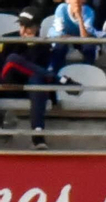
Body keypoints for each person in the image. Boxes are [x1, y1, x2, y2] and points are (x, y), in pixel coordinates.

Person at [1, 7, 69, 150]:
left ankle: (37, 134)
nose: (23, 31)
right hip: (6, 84)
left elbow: (41, 71)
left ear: (38, 27)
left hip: (28, 88)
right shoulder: (7, 40)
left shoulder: (43, 46)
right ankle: (60, 80)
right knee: (13, 59)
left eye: (28, 27)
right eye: (21, 26)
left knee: (37, 80)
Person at [46, 0, 95, 68]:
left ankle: (89, 68)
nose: (76, 1)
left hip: (79, 38)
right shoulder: (61, 8)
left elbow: (85, 37)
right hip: (63, 37)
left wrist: (80, 17)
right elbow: (60, 33)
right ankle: (54, 71)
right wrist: (73, 37)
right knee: (60, 45)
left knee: (89, 45)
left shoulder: (89, 11)